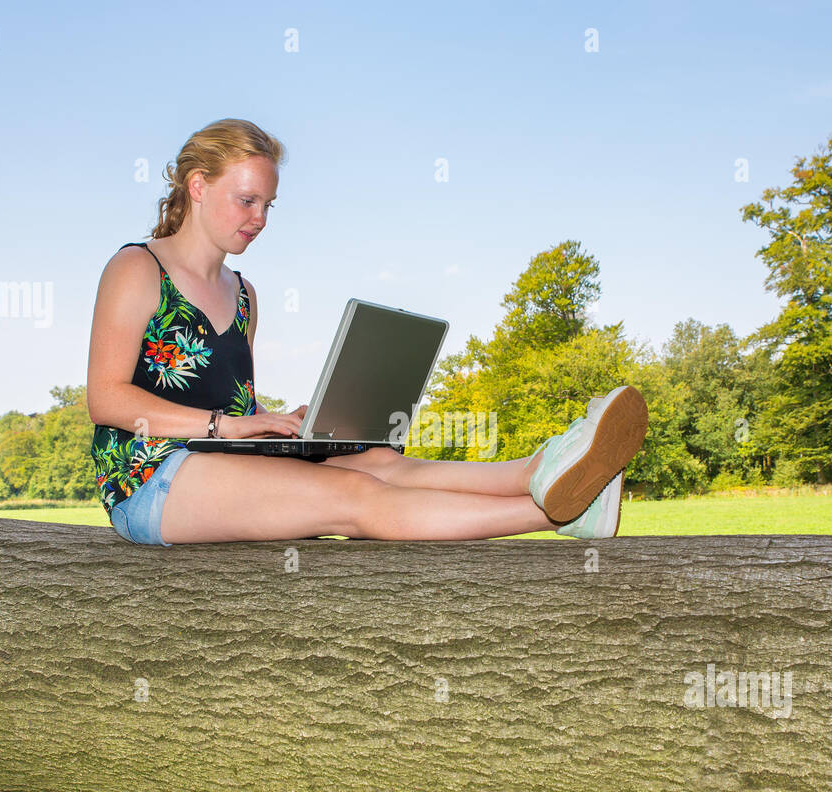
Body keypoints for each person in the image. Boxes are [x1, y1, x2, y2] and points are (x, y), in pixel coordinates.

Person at [87, 118, 648, 545]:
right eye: (247, 200)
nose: (260, 218)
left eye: (268, 204)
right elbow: (106, 399)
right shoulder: (138, 269)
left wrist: (283, 425)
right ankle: (558, 512)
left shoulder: (244, 294)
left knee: (380, 460)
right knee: (354, 493)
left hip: (225, 459)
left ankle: (544, 466)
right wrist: (227, 426)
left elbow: (229, 402)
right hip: (148, 477)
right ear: (198, 186)